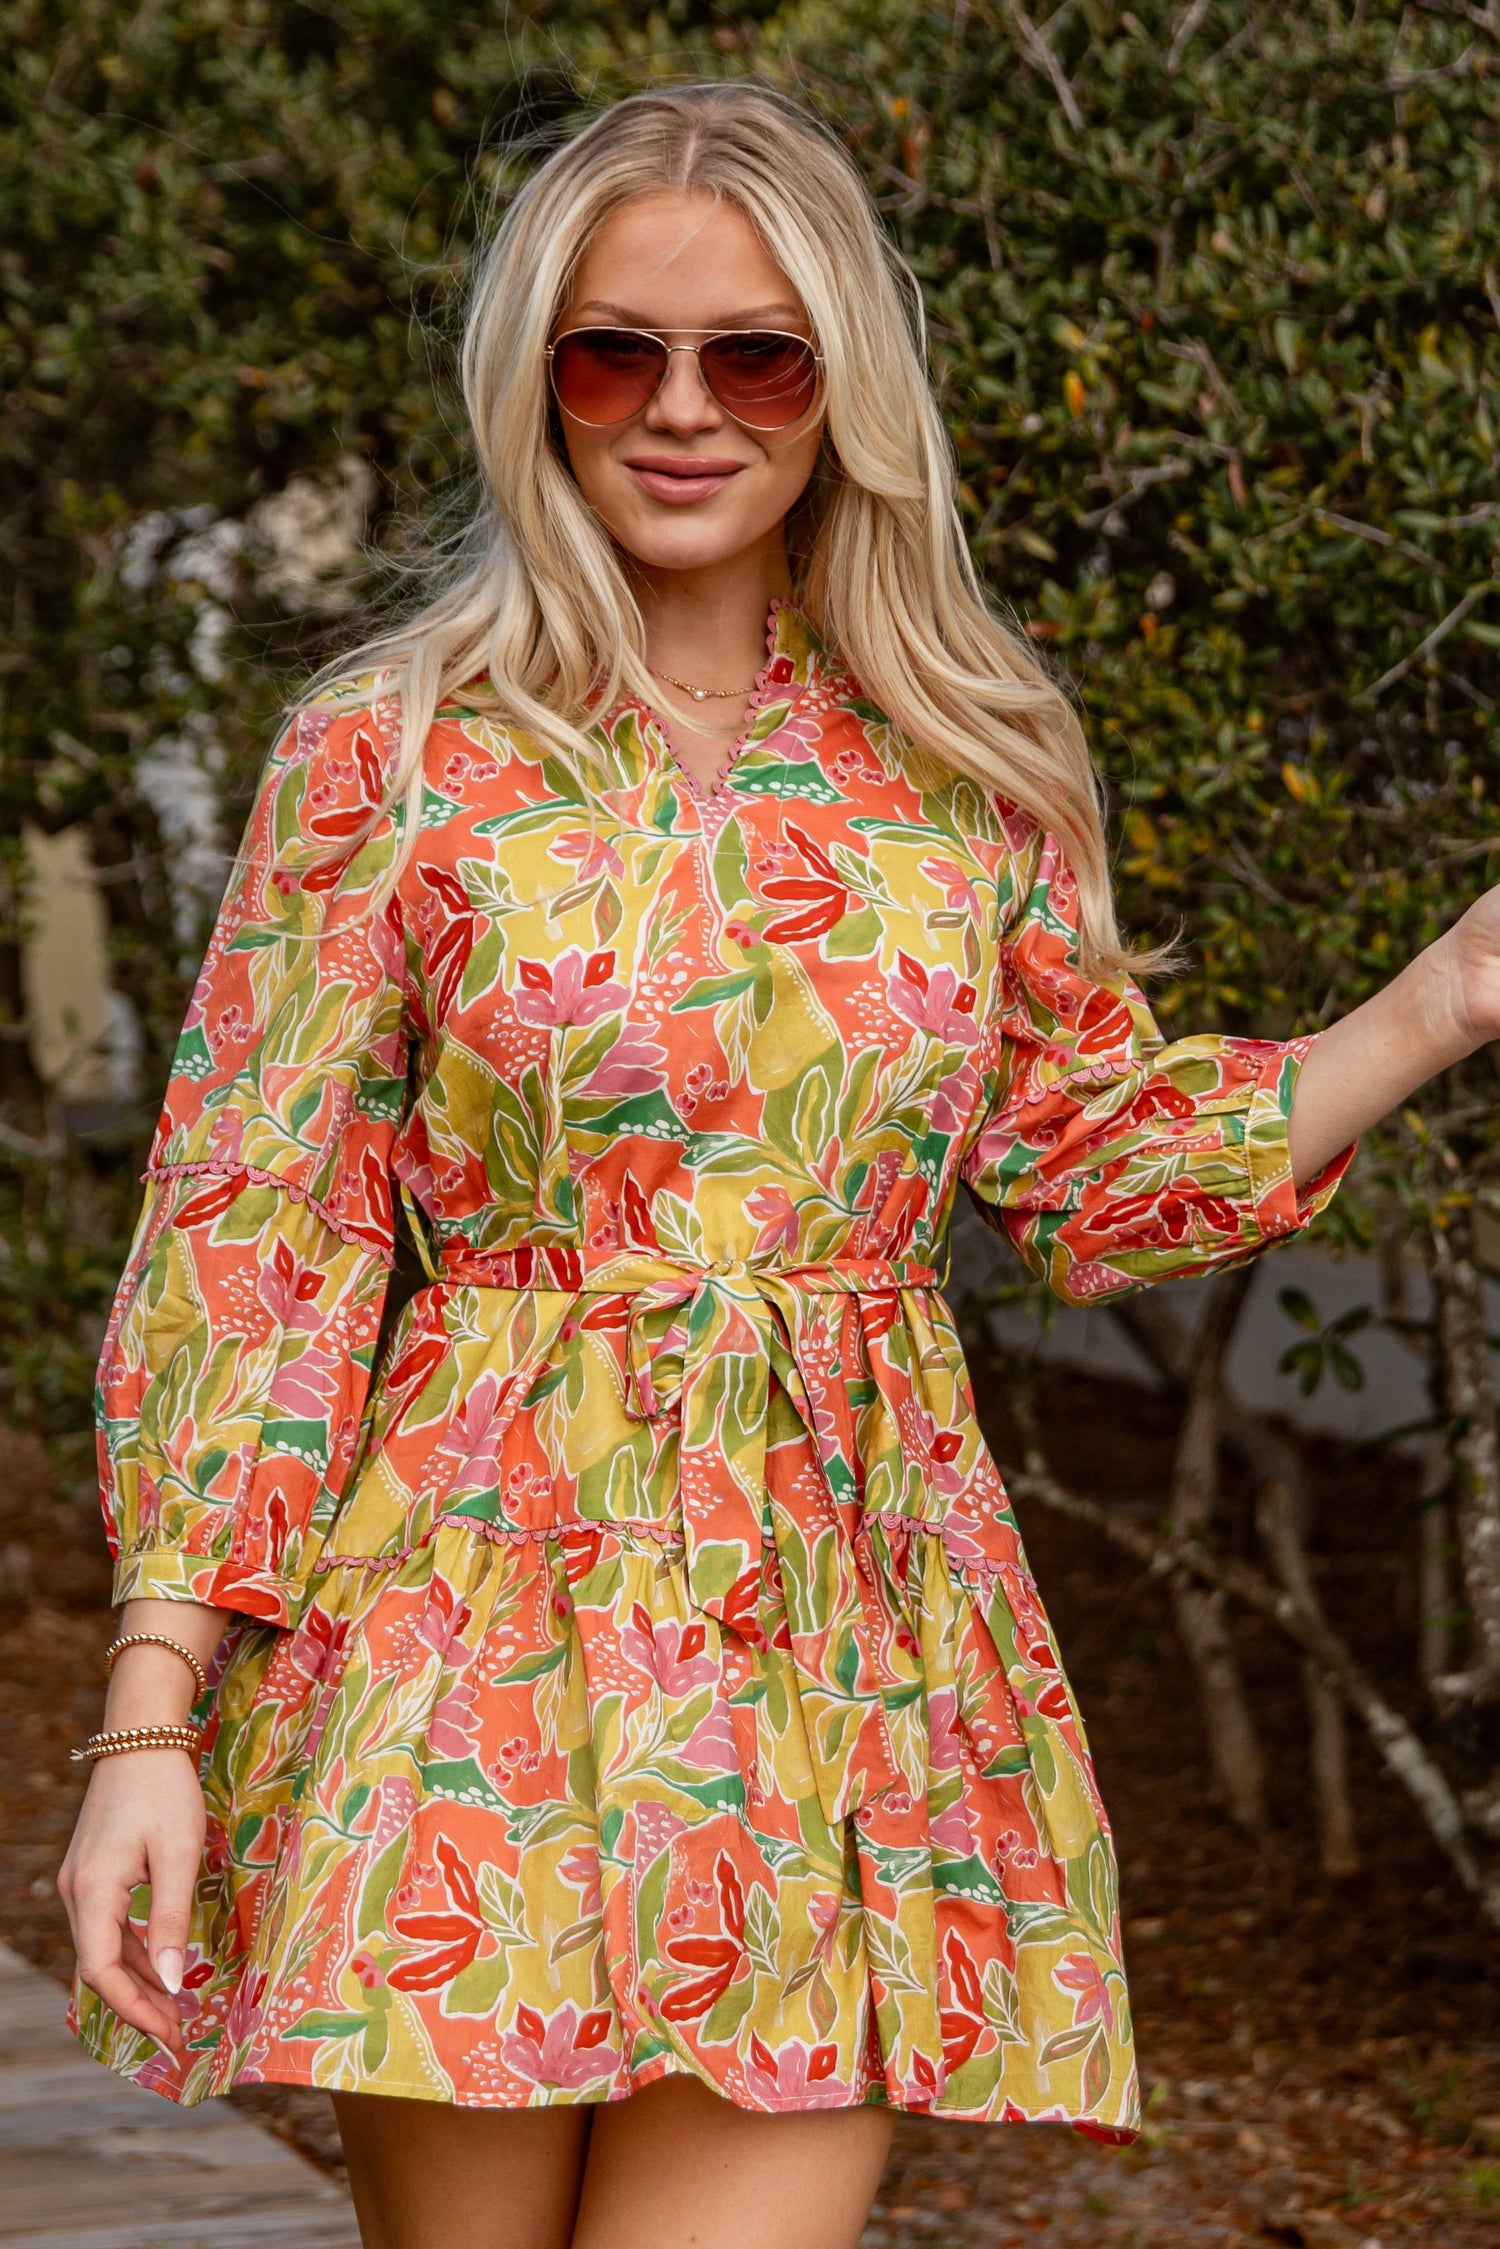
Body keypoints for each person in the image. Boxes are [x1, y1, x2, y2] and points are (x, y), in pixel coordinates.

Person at [55, 81, 1499, 2249]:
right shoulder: (390, 752)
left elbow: (1096, 1166)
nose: (683, 409)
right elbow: (254, 1236)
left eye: (756, 356)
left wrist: (1446, 1001)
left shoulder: (966, 761)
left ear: (841, 387)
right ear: (535, 379)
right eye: (614, 353)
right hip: (465, 1647)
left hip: (837, 1668)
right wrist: (149, 1718)